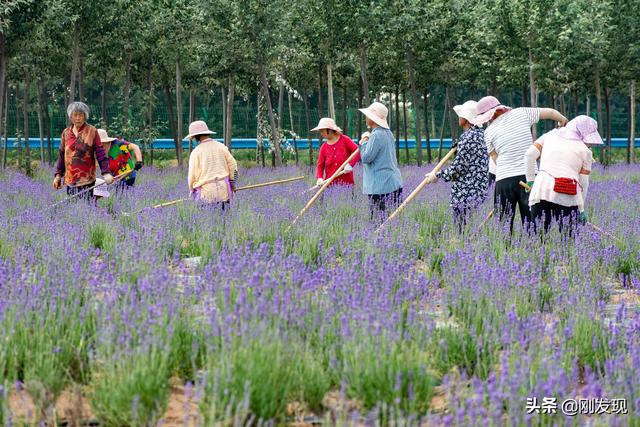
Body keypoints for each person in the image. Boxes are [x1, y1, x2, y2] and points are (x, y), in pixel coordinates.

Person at [471, 96, 568, 233]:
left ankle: (505, 250)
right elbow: (551, 113)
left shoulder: (488, 132)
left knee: (503, 221)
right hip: (529, 178)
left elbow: (495, 158)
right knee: (532, 220)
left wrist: (508, 167)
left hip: (504, 179)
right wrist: (562, 120)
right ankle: (533, 249)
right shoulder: (522, 112)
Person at [524, 115, 602, 233]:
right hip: (567, 193)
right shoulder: (585, 151)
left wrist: (530, 180)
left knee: (537, 237)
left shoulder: (550, 135)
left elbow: (529, 155)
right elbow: (583, 184)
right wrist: (581, 209)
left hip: (541, 190)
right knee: (568, 239)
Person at [425, 100, 489, 231]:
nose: (458, 118)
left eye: (460, 115)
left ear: (466, 119)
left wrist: (437, 175)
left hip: (465, 195)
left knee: (462, 231)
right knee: (473, 230)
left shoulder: (467, 139)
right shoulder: (482, 135)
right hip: (479, 192)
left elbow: (457, 169)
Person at [53, 102, 113, 203]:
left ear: (85, 116)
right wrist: (58, 175)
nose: (78, 118)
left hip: (87, 179)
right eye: (75, 115)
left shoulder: (92, 131)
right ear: (70, 117)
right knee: (73, 207)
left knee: (87, 206)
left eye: (81, 115)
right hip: (70, 180)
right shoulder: (66, 133)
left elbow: (100, 152)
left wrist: (106, 172)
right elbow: (62, 155)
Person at [358, 102, 403, 220]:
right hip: (393, 183)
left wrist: (364, 141)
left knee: (379, 221)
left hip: (379, 186)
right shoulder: (388, 133)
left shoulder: (376, 135)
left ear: (373, 119)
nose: (366, 118)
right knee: (394, 221)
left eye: (367, 115)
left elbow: (366, 158)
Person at [186, 120, 238, 209]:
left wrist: (192, 190)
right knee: (224, 221)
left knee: (207, 221)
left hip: (205, 195)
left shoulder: (196, 152)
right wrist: (232, 184)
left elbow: (191, 177)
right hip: (223, 192)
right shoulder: (221, 147)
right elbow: (233, 166)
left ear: (195, 137)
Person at [313, 118, 360, 187]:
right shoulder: (323, 147)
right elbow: (320, 165)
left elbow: (357, 151)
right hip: (330, 185)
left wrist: (350, 164)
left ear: (328, 130)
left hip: (347, 183)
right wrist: (319, 178)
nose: (321, 133)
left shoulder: (345, 140)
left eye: (322, 130)